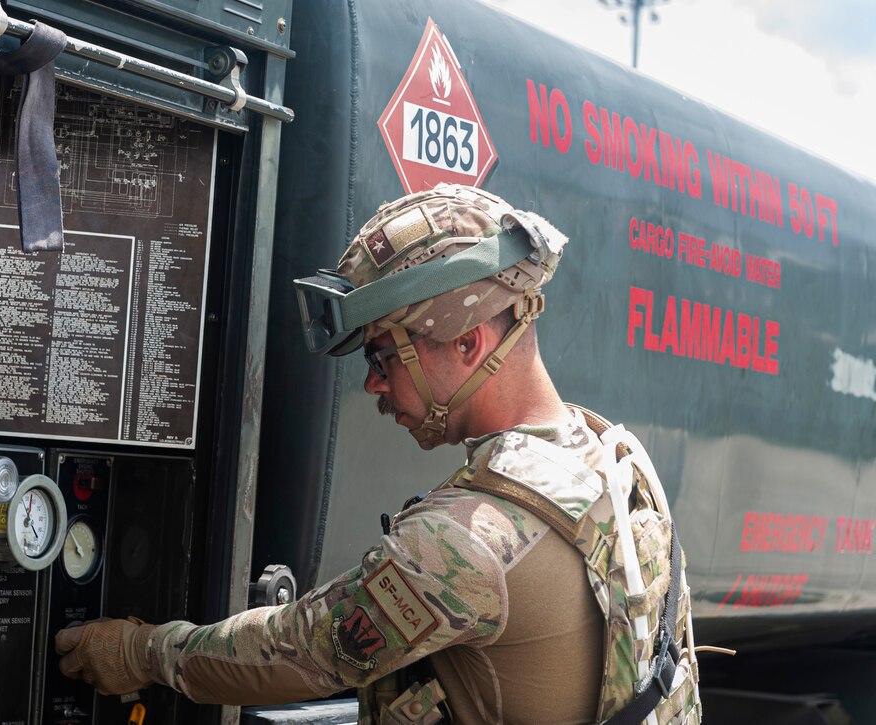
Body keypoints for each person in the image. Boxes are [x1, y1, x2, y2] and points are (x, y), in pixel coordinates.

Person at [55, 184, 701, 724]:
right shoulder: (612, 462)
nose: (373, 383)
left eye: (383, 355)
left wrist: (140, 650)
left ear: (469, 343)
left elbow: (299, 650)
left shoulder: (466, 542)